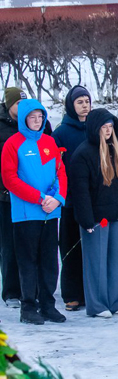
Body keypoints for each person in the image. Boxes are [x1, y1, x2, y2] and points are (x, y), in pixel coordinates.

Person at [0, 99, 66, 324]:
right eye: (32, 117)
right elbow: (10, 179)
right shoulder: (13, 144)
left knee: (50, 261)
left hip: (50, 212)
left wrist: (58, 198)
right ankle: (28, 307)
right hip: (26, 213)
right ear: (23, 119)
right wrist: (39, 198)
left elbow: (60, 173)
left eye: (40, 117)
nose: (37, 121)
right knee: (28, 261)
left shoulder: (49, 141)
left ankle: (47, 305)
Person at [70, 110, 118, 319]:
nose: (108, 131)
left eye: (110, 127)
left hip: (116, 214)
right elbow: (80, 191)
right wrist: (86, 219)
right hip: (96, 217)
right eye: (104, 127)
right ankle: (98, 305)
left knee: (116, 260)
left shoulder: (116, 150)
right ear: (94, 128)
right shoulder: (83, 154)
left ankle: (117, 301)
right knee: (96, 261)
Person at [53, 85, 92, 311]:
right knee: (70, 246)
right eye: (80, 102)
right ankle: (72, 294)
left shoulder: (94, 127)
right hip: (69, 198)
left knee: (91, 247)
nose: (85, 106)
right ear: (71, 105)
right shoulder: (61, 132)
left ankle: (90, 291)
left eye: (87, 101)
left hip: (92, 196)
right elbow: (55, 166)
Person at [0, 87, 26, 309]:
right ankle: (10, 291)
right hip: (5, 195)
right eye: (18, 103)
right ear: (9, 105)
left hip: (28, 193)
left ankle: (29, 287)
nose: (22, 107)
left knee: (27, 243)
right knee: (9, 244)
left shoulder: (31, 123)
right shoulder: (1, 126)